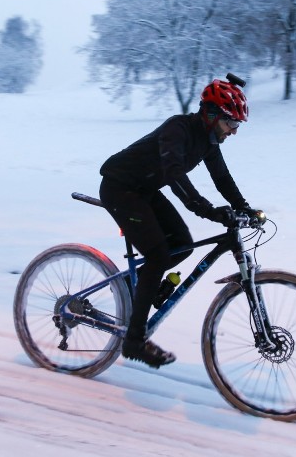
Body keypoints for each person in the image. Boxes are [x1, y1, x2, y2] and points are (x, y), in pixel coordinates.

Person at [98, 76, 258, 368]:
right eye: (231, 124)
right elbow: (174, 175)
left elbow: (222, 178)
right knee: (158, 255)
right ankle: (134, 342)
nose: (234, 132)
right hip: (120, 188)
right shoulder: (178, 129)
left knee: (182, 245)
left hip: (143, 190)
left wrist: (244, 208)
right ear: (212, 116)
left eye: (237, 126)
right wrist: (207, 210)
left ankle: (132, 286)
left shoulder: (208, 141)